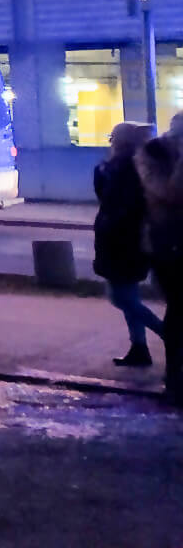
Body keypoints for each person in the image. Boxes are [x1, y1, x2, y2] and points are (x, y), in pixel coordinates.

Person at [95, 122, 161, 368]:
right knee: (127, 296)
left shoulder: (125, 167)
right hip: (121, 237)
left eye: (114, 138)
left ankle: (170, 336)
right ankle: (139, 349)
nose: (111, 142)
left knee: (122, 298)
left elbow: (113, 200)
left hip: (122, 239)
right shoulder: (128, 165)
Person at [137, 113, 183, 403]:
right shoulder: (152, 154)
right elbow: (171, 193)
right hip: (170, 245)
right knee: (179, 310)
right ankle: (176, 377)